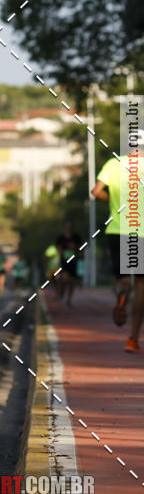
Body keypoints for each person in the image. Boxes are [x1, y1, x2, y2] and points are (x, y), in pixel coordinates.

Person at [92, 150, 144, 352]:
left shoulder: (114, 164)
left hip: (117, 231)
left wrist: (112, 201)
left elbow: (96, 192)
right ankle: (133, 339)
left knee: (122, 278)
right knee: (141, 284)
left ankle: (122, 294)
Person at [55, 220, 82, 308]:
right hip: (64, 260)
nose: (68, 229)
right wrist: (61, 251)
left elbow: (81, 247)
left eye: (70, 228)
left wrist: (76, 249)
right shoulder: (61, 237)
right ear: (65, 228)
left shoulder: (76, 237)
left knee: (72, 281)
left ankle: (69, 299)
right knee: (65, 278)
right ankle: (62, 290)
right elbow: (58, 247)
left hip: (73, 261)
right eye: (67, 228)